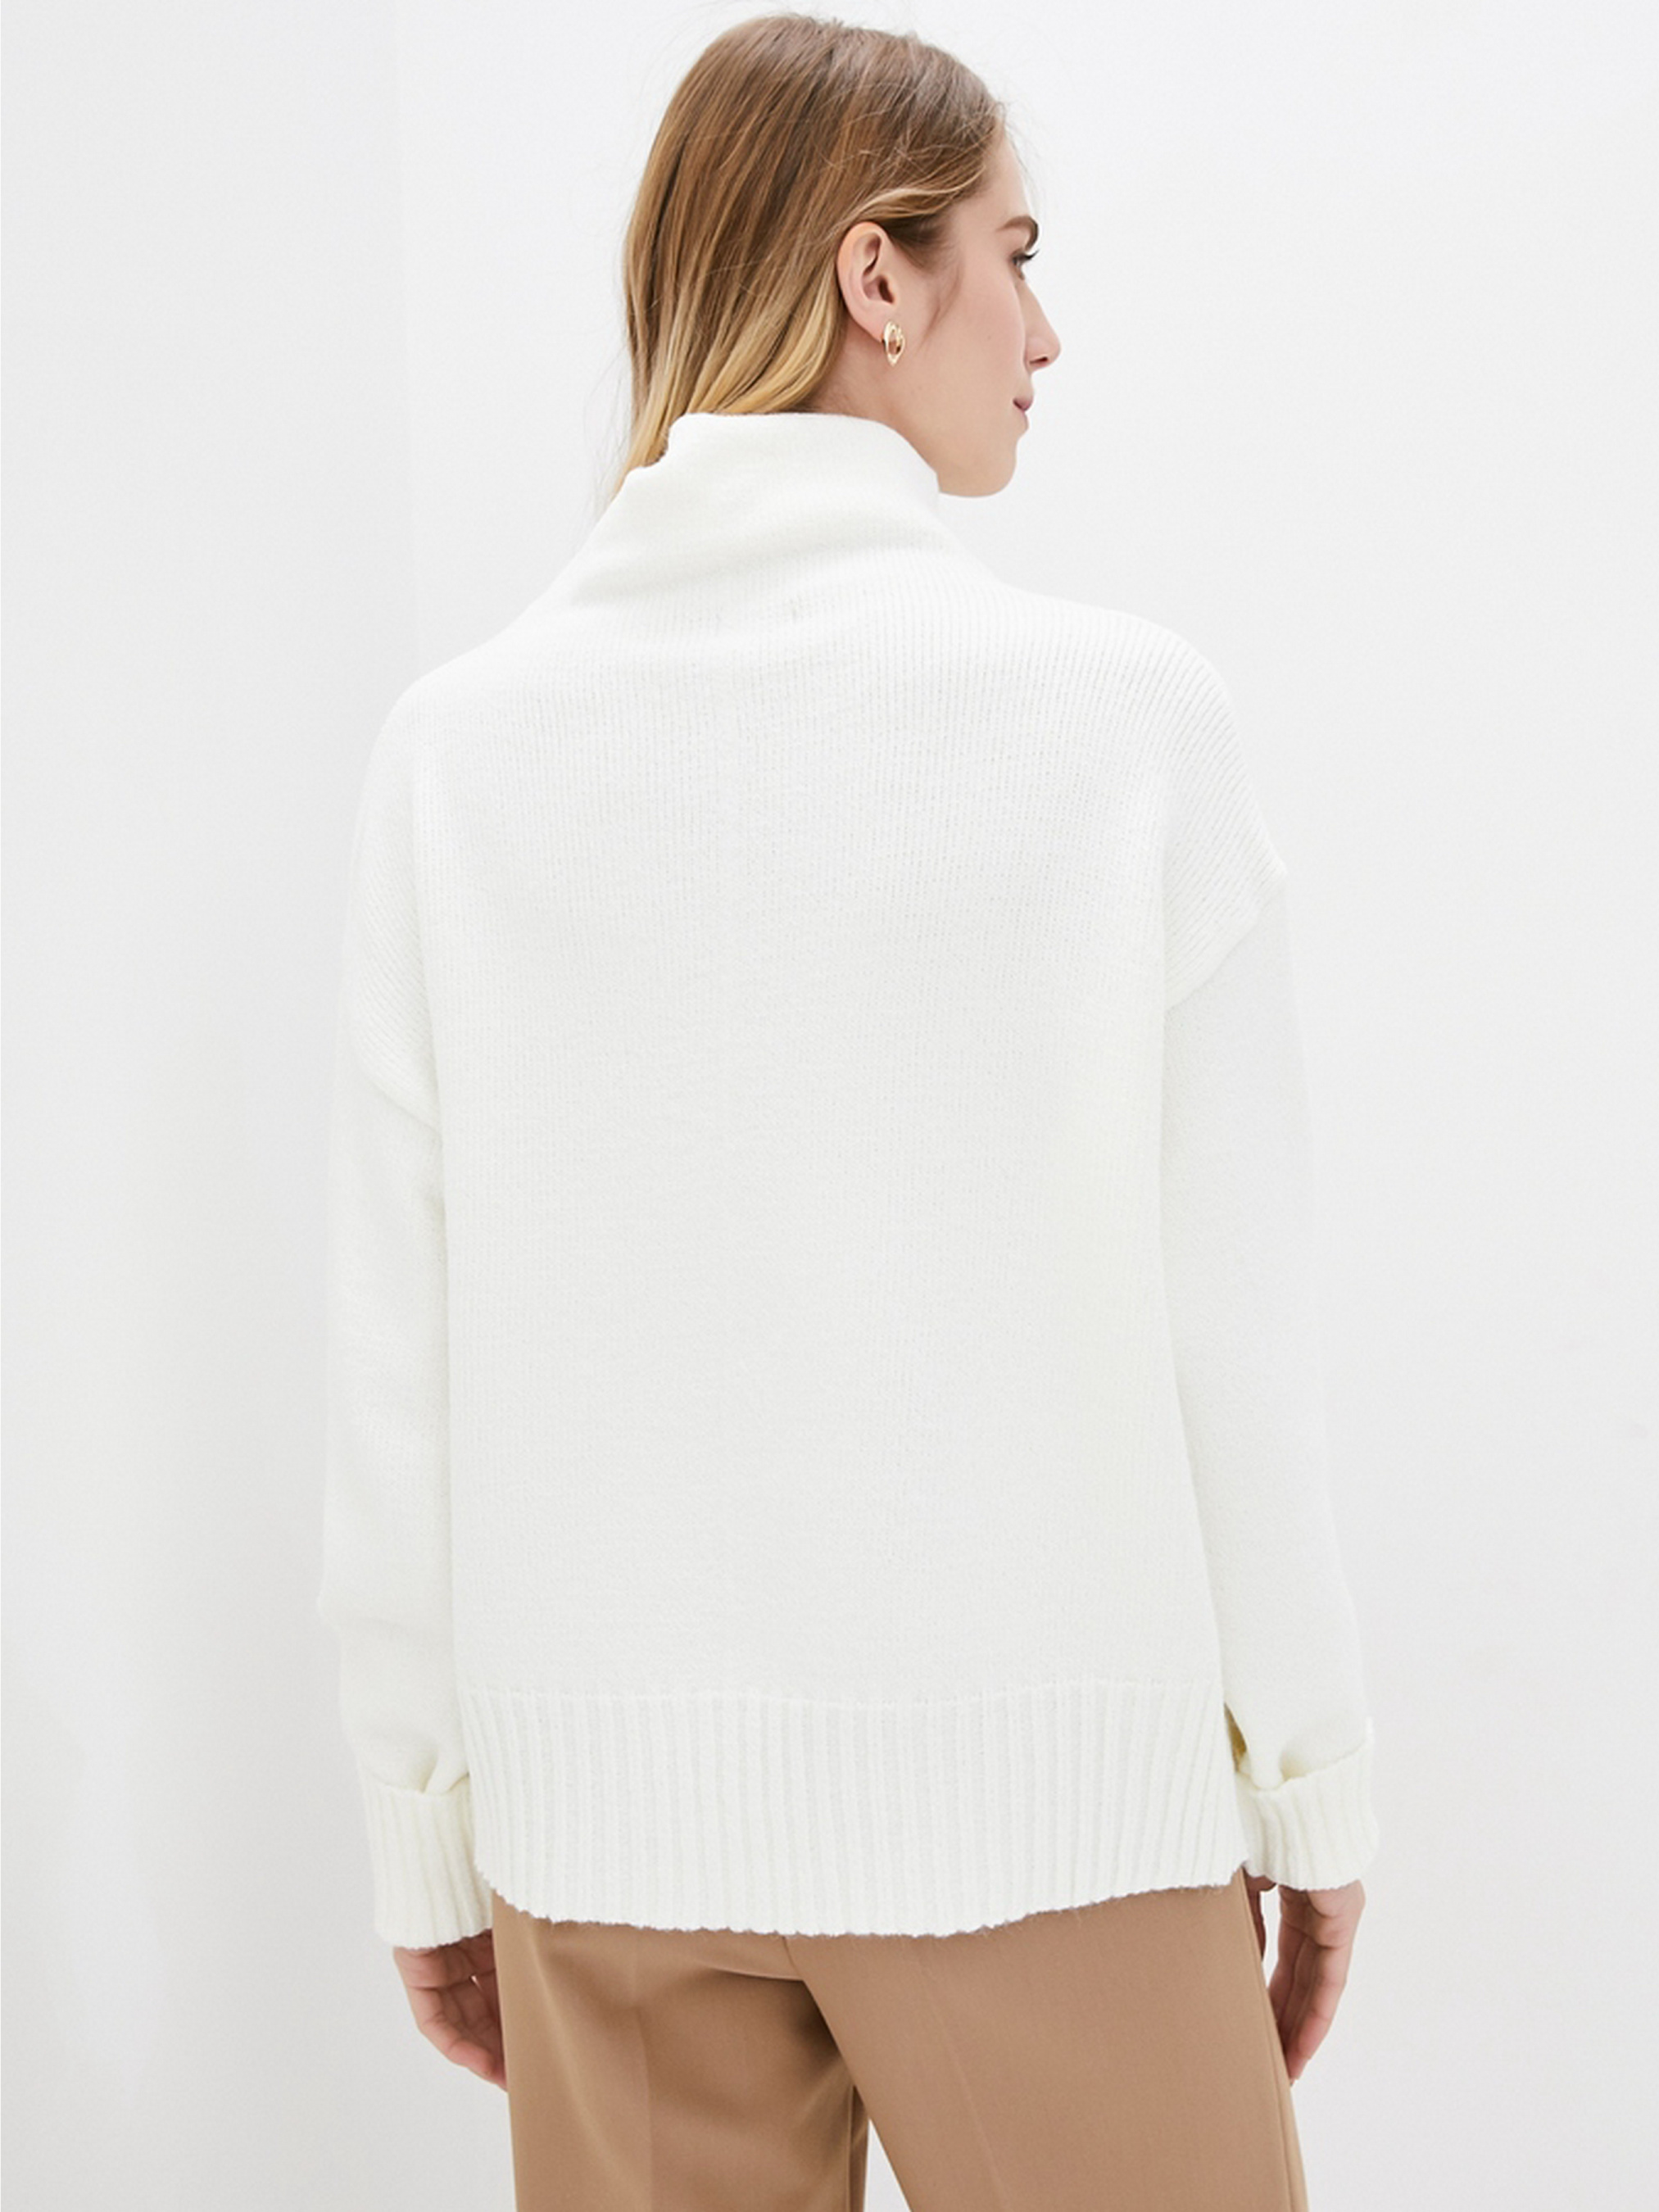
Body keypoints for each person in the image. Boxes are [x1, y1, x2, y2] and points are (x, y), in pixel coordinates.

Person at [315, 13, 1379, 2207]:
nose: (1045, 332)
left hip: (603, 1848)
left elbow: (393, 1359)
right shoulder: (1124, 726)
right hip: (1054, 1821)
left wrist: (423, 1825)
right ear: (874, 277)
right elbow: (1236, 1336)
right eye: (1015, 253)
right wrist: (1311, 1785)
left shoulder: (458, 753)